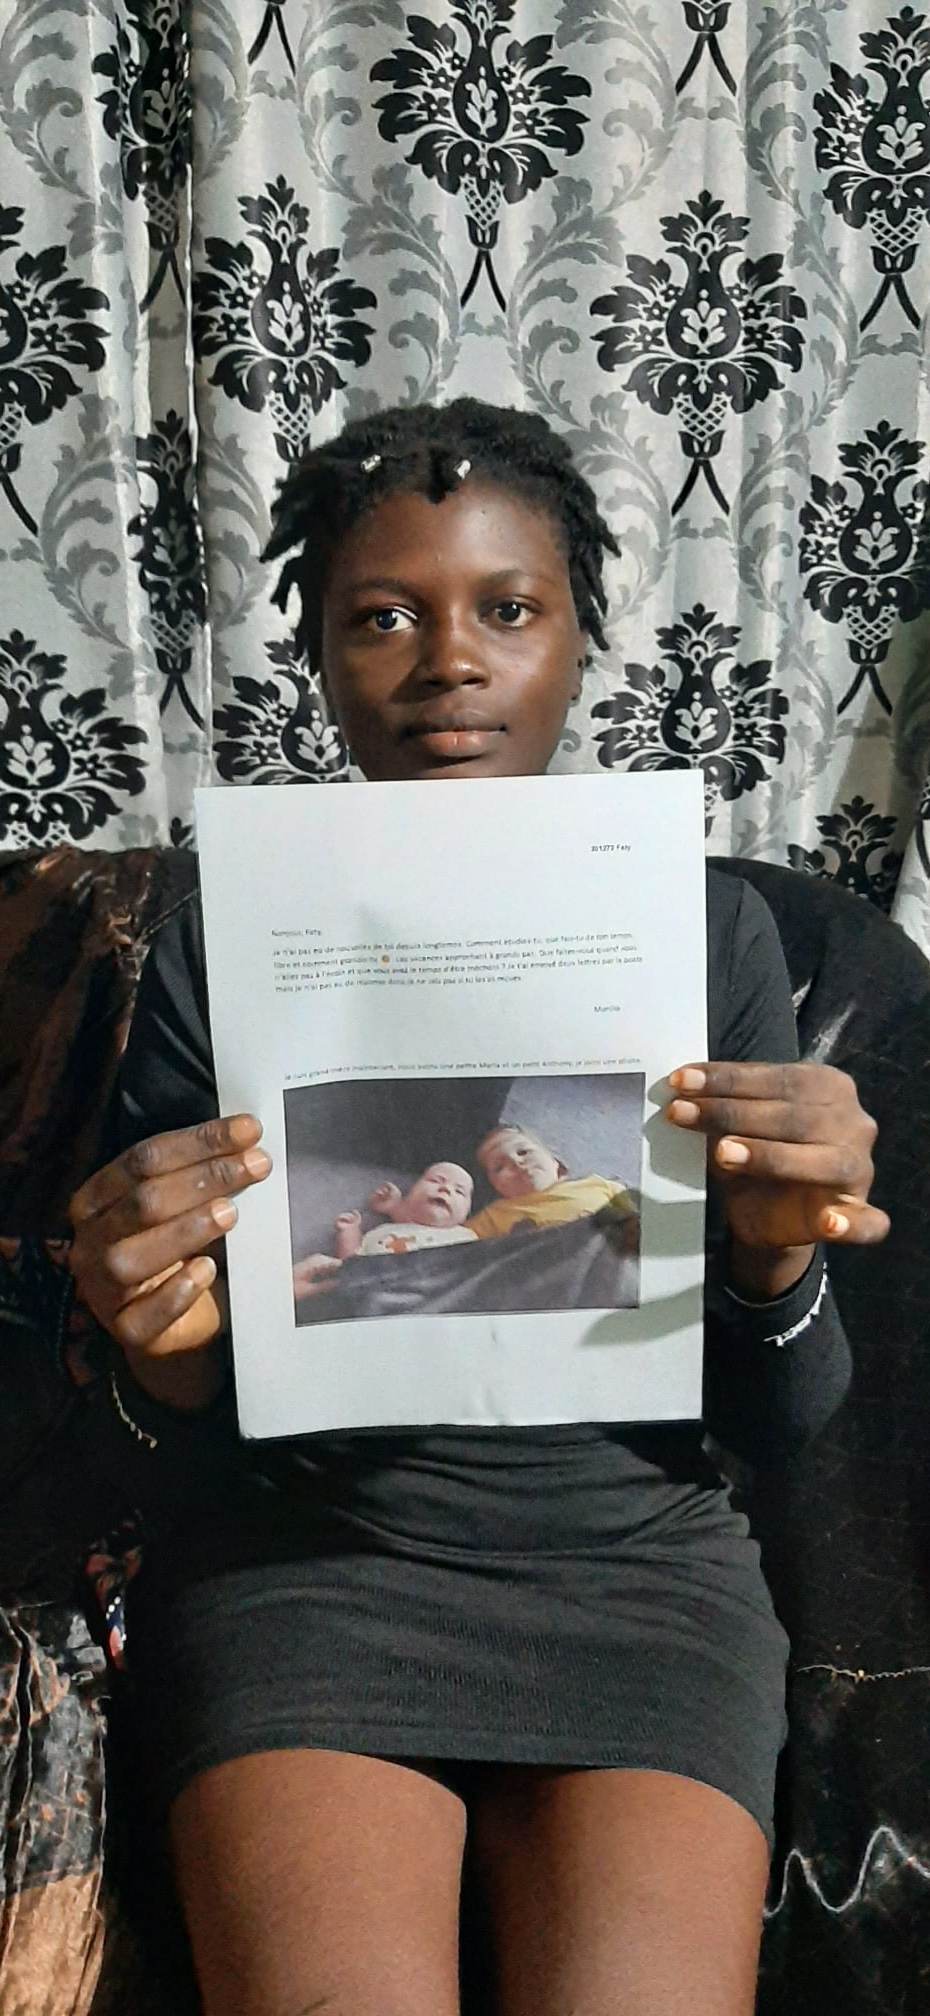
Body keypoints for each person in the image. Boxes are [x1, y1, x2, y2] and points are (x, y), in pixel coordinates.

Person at [68, 398, 887, 2016]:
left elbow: (788, 1421)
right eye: (383, 616)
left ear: (578, 642)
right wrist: (147, 1330)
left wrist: (778, 1257)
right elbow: (173, 1423)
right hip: (312, 1570)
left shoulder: (708, 933)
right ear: (318, 658)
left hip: (641, 1578)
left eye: (508, 609)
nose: (451, 660)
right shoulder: (217, 943)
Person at [292, 1160, 476, 1300]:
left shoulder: (463, 1236)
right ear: (411, 1193)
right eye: (435, 1180)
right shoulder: (381, 1232)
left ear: (466, 1216)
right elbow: (352, 1264)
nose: (445, 1189)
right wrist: (349, 1232)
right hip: (373, 1291)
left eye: (459, 1191)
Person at [468, 1122, 636, 1239]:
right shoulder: (494, 1215)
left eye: (523, 1152)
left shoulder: (597, 1185)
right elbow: (459, 1241)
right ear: (494, 1186)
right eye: (499, 1167)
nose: (515, 1162)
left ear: (555, 1161)